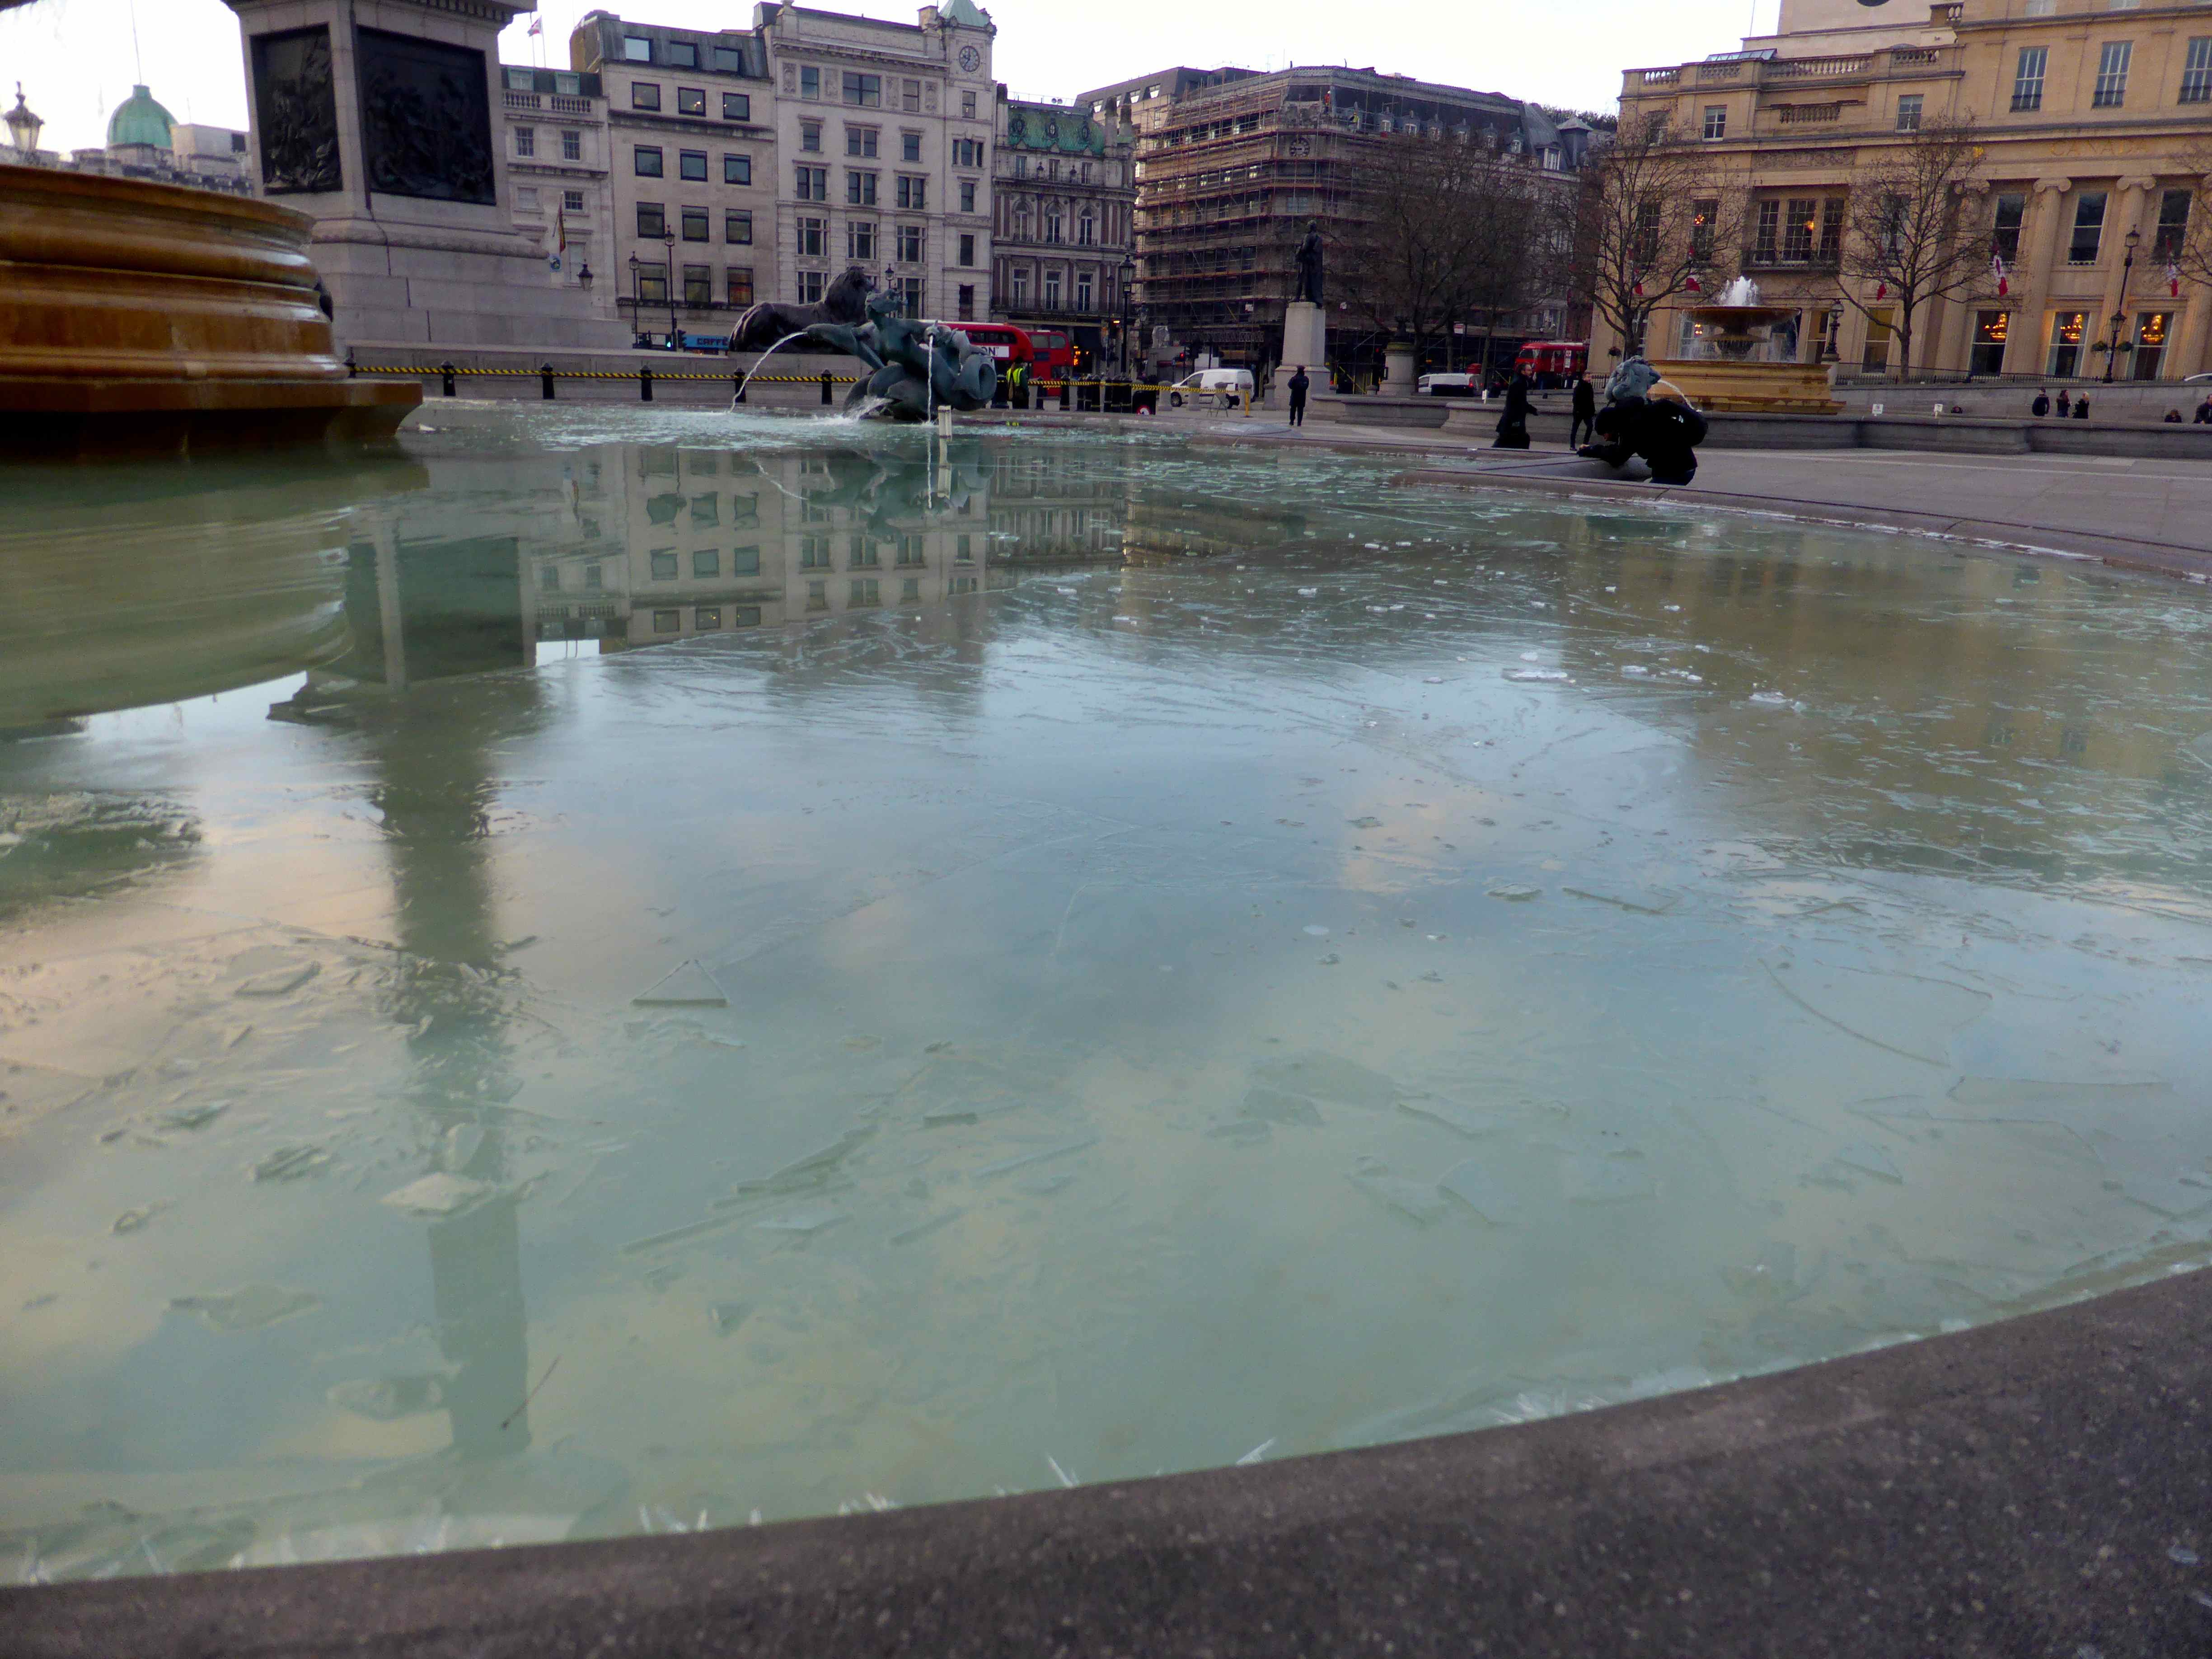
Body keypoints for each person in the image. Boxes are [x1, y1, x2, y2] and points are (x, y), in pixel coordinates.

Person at [1492, 369, 1532, 449]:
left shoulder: (1521, 383)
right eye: (1528, 370)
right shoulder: (1518, 383)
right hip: (1511, 421)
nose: (1530, 372)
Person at [1570, 374, 1597, 449]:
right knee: (1575, 428)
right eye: (1588, 377)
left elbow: (1591, 400)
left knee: (1590, 426)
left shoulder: (1590, 387)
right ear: (1584, 378)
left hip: (1587, 412)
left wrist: (1592, 410)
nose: (1590, 379)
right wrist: (1578, 410)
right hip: (1579, 411)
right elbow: (1575, 400)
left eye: (1591, 377)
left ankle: (1585, 444)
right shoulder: (1579, 387)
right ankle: (1572, 445)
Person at [1287, 364, 1310, 428]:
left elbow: (1290, 385)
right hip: (1302, 397)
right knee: (1301, 410)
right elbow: (1306, 387)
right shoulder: (1306, 379)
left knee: (1293, 409)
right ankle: (1299, 423)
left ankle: (1292, 421)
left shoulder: (1294, 378)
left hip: (1294, 396)